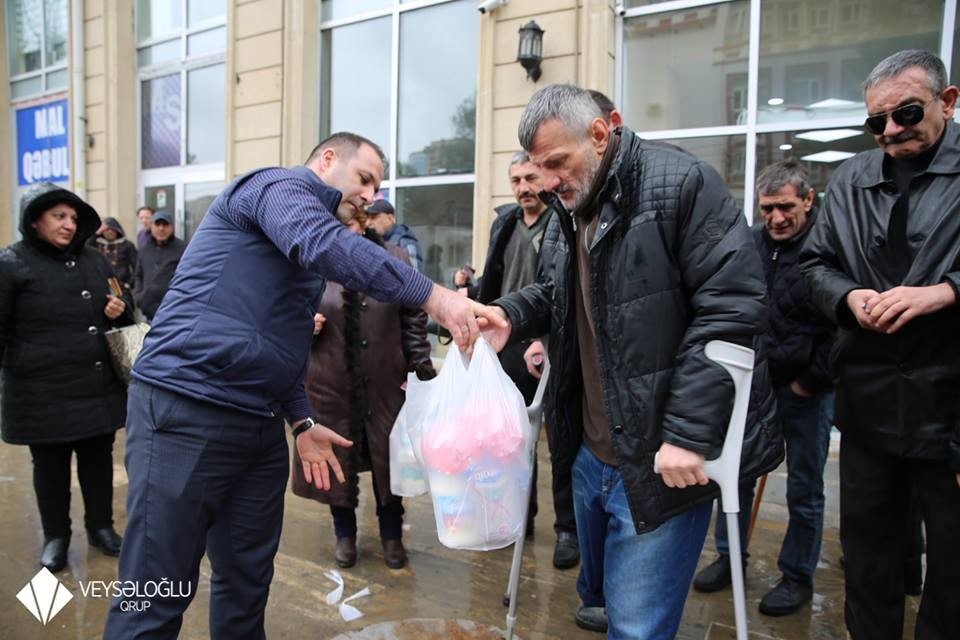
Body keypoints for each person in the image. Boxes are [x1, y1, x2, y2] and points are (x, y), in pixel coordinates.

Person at [102, 131, 501, 639]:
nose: (369, 195)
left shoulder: (304, 257)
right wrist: (435, 296)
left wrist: (302, 418)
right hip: (186, 410)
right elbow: (323, 243)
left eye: (376, 186)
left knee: (246, 585)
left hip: (258, 426)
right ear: (327, 159)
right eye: (364, 178)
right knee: (155, 593)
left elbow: (283, 340)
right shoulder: (275, 187)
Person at [484, 84, 782, 638]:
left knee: (638, 627)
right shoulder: (567, 205)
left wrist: (690, 434)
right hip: (589, 451)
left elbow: (733, 309)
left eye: (555, 163)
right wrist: (509, 313)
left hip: (662, 457)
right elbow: (559, 291)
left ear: (601, 132)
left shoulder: (683, 185)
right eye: (537, 167)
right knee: (600, 603)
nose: (546, 182)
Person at [800, 49, 960, 639]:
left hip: (950, 408)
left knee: (951, 563)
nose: (890, 131)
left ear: (948, 101)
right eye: (876, 122)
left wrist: (944, 292)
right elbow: (814, 266)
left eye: (907, 114)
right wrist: (848, 299)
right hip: (868, 399)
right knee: (866, 556)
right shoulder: (850, 178)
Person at [694, 159, 835, 618]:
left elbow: (841, 326)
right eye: (768, 207)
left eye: (786, 207)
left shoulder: (829, 245)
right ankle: (728, 556)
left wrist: (809, 382)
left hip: (805, 391)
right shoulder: (751, 243)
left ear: (808, 201)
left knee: (804, 487)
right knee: (733, 475)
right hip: (752, 388)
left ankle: (796, 576)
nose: (776, 218)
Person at [290, 203, 436, 571]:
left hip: (386, 380)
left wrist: (420, 367)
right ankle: (345, 536)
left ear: (367, 224)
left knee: (391, 465)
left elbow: (414, 314)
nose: (350, 234)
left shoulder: (394, 257)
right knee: (339, 462)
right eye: (340, 228)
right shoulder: (310, 263)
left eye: (356, 225)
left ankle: (392, 537)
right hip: (330, 383)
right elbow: (283, 314)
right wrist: (303, 325)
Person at [453, 150, 579, 570]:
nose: (524, 188)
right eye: (516, 181)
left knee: (559, 441)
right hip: (505, 345)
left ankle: (568, 530)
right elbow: (494, 280)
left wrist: (542, 339)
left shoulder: (562, 220)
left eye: (529, 178)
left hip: (546, 346)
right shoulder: (504, 222)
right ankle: (517, 519)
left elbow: (560, 291)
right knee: (506, 441)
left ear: (543, 177)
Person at [0, 183, 132, 573]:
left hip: (94, 388)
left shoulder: (95, 261)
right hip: (41, 391)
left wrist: (119, 310)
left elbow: (124, 308)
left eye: (73, 218)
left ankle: (101, 528)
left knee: (97, 461)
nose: (69, 225)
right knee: (50, 466)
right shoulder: (11, 264)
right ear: (35, 220)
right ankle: (56, 536)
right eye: (59, 217)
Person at [133, 210, 186, 321]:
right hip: (149, 313)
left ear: (172, 227)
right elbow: (138, 275)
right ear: (151, 226)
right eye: (157, 224)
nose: (161, 228)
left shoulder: (183, 249)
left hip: (175, 313)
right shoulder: (144, 250)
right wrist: (139, 297)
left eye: (165, 224)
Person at [365, 199, 425, 273]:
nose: (368, 223)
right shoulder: (371, 240)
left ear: (390, 219)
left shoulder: (405, 243)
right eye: (367, 218)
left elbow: (415, 279)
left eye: (373, 217)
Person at [89, 216, 138, 292]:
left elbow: (137, 267)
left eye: (112, 229)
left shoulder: (127, 245)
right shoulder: (96, 244)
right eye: (107, 229)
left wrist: (129, 284)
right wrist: (97, 233)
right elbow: (84, 247)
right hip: (99, 287)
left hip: (121, 287)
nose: (110, 232)